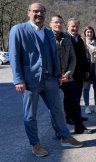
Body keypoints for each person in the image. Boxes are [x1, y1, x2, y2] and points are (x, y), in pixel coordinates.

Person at [9, 2, 82, 157]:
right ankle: (35, 144)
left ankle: (65, 137)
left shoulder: (48, 32)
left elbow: (54, 55)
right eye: (35, 11)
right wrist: (18, 79)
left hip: (50, 79)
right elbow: (14, 56)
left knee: (58, 110)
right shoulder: (18, 30)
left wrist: (57, 75)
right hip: (30, 81)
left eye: (42, 12)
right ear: (29, 12)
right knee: (30, 115)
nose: (39, 14)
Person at [49, 15, 92, 135]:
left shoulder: (71, 39)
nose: (58, 25)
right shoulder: (47, 38)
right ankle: (59, 130)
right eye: (56, 22)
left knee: (75, 100)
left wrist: (68, 73)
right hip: (53, 77)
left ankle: (79, 127)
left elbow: (75, 58)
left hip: (70, 75)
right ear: (50, 24)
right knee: (55, 105)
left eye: (60, 23)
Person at [66, 18, 89, 121]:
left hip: (80, 72)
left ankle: (76, 115)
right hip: (69, 73)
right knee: (69, 97)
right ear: (68, 27)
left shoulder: (79, 39)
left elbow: (84, 56)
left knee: (78, 95)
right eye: (73, 26)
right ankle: (69, 116)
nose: (75, 28)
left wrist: (87, 69)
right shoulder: (65, 38)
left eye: (76, 26)